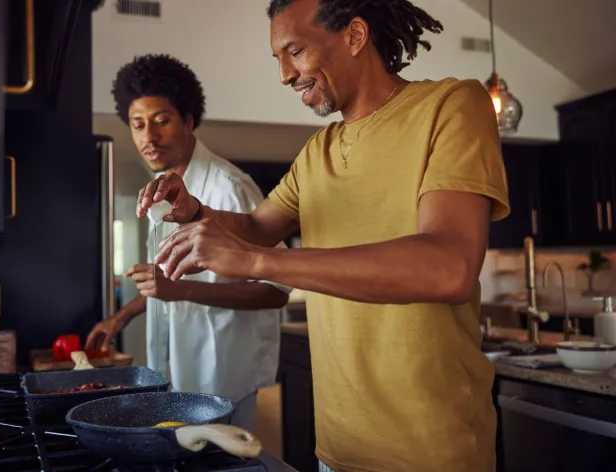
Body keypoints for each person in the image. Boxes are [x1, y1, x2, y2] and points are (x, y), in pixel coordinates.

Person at [135, 1, 510, 471]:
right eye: (277, 59)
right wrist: (193, 211)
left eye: (294, 51)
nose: (284, 75)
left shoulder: (451, 105)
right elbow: (256, 228)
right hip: (336, 447)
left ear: (355, 36)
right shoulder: (319, 150)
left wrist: (256, 262)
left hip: (430, 450)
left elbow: (448, 267)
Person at [85, 53, 291, 432]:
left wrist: (180, 291)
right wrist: (122, 316)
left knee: (221, 459)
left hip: (224, 375)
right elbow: (167, 280)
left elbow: (276, 290)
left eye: (161, 121)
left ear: (189, 121)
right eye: (138, 124)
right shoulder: (161, 190)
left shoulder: (228, 188)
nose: (148, 137)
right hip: (177, 369)